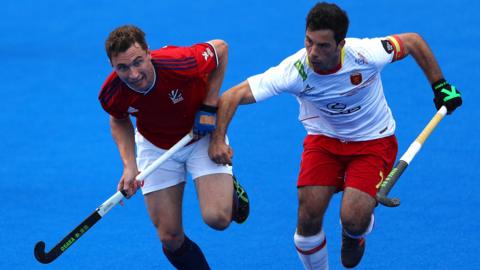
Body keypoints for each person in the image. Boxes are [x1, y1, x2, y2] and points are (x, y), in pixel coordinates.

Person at [209, 2, 462, 269]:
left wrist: (440, 85)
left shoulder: (366, 54)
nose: (313, 52)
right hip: (324, 142)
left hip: (373, 142)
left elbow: (412, 41)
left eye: (323, 45)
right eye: (308, 41)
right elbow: (231, 96)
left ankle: (354, 233)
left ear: (341, 44)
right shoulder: (295, 70)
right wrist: (217, 139)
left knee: (354, 218)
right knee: (308, 217)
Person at [98, 25, 249, 270]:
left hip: (200, 135)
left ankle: (232, 190)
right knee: (170, 237)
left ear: (148, 53)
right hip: (155, 146)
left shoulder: (181, 62)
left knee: (218, 219)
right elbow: (118, 118)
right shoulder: (111, 92)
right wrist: (129, 166)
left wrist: (209, 107)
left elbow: (221, 48)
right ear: (112, 65)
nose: (134, 74)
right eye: (122, 67)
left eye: (138, 62)